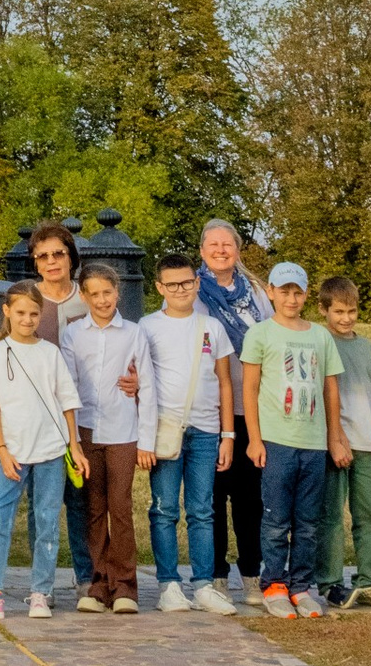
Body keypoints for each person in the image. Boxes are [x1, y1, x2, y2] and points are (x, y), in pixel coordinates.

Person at [0, 283, 84, 619]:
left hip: (51, 452)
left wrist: (74, 443)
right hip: (13, 453)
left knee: (46, 522)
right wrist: (2, 449)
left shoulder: (50, 354)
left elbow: (68, 401)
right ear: (7, 312)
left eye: (33, 313)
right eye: (20, 313)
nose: (27, 319)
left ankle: (41, 592)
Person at [242, 268, 345, 617]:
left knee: (307, 521)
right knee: (275, 520)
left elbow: (330, 389)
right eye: (284, 292)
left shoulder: (320, 336)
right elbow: (250, 388)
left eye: (297, 292)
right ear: (270, 292)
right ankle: (273, 584)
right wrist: (254, 438)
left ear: (306, 295)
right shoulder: (260, 334)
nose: (291, 299)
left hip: (313, 442)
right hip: (276, 441)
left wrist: (334, 437)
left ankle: (301, 586)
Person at [141, 251, 238, 615]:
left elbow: (225, 382)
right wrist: (144, 438)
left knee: (202, 510)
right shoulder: (147, 327)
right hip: (166, 429)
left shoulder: (211, 327)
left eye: (187, 282)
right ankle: (168, 584)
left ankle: (203, 584)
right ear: (159, 287)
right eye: (172, 284)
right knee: (164, 509)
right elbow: (141, 381)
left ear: (197, 283)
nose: (180, 289)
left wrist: (227, 435)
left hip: (206, 431)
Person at [60, 262, 155, 614]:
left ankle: (126, 586)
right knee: (93, 509)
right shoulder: (74, 334)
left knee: (121, 507)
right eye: (94, 294)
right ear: (83, 296)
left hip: (122, 431)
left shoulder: (133, 333)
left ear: (117, 293)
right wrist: (72, 438)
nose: (102, 300)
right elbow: (67, 384)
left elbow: (149, 385)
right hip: (85, 430)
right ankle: (99, 583)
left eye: (108, 292)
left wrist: (146, 440)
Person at [198, 222, 275, 600]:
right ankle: (214, 575)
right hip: (210, 407)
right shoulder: (191, 291)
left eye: (227, 243)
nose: (221, 249)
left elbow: (272, 337)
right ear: (202, 251)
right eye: (213, 244)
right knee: (212, 495)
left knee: (250, 497)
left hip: (254, 407)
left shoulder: (257, 293)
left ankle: (250, 573)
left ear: (238, 250)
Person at [24, 224, 97, 592]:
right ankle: (43, 584)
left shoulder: (87, 299)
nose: (52, 262)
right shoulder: (26, 300)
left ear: (71, 257)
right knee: (41, 506)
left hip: (83, 413)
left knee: (81, 499)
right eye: (43, 256)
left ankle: (87, 577)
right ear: (35, 262)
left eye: (58, 254)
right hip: (37, 417)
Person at [315, 280, 371, 613]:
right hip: (333, 442)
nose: (346, 318)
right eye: (339, 311)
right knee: (330, 515)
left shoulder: (367, 347)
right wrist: (336, 439)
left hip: (368, 443)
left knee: (370, 514)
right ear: (324, 310)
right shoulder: (319, 341)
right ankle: (330, 581)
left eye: (352, 311)